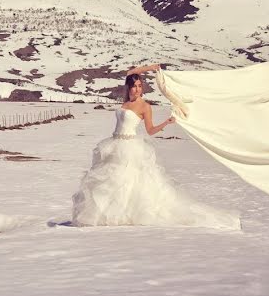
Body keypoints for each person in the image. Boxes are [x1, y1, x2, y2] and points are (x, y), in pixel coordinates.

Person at [71, 64, 240, 230]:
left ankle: (131, 215)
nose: (137, 89)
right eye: (134, 86)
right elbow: (131, 71)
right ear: (128, 87)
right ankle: (113, 215)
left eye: (140, 86)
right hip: (114, 145)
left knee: (127, 182)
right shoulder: (126, 101)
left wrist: (167, 122)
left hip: (130, 148)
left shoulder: (144, 106)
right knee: (110, 183)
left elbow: (150, 130)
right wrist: (150, 68)